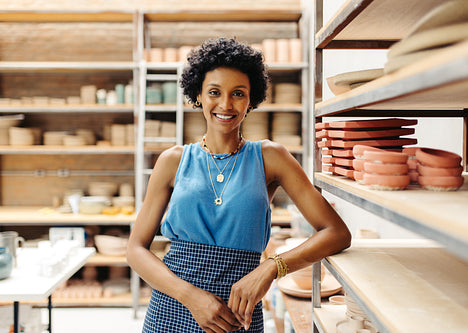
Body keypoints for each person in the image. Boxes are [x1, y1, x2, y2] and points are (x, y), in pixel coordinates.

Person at [127, 37, 351, 333]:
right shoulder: (172, 160)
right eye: (215, 92)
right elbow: (135, 249)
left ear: (251, 99)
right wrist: (191, 297)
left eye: (238, 94)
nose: (225, 104)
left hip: (237, 316)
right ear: (198, 94)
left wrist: (271, 268)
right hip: (172, 308)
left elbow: (337, 233)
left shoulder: (272, 157)